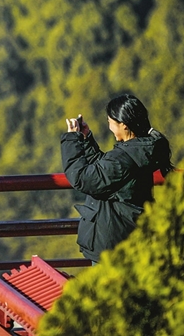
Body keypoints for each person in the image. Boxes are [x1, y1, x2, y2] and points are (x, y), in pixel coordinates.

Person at [61, 94, 173, 264]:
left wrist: (71, 140)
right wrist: (86, 139)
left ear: (124, 125)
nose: (109, 127)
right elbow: (106, 172)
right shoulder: (139, 150)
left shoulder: (124, 158)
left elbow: (83, 178)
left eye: (110, 122)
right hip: (129, 237)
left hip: (113, 245)